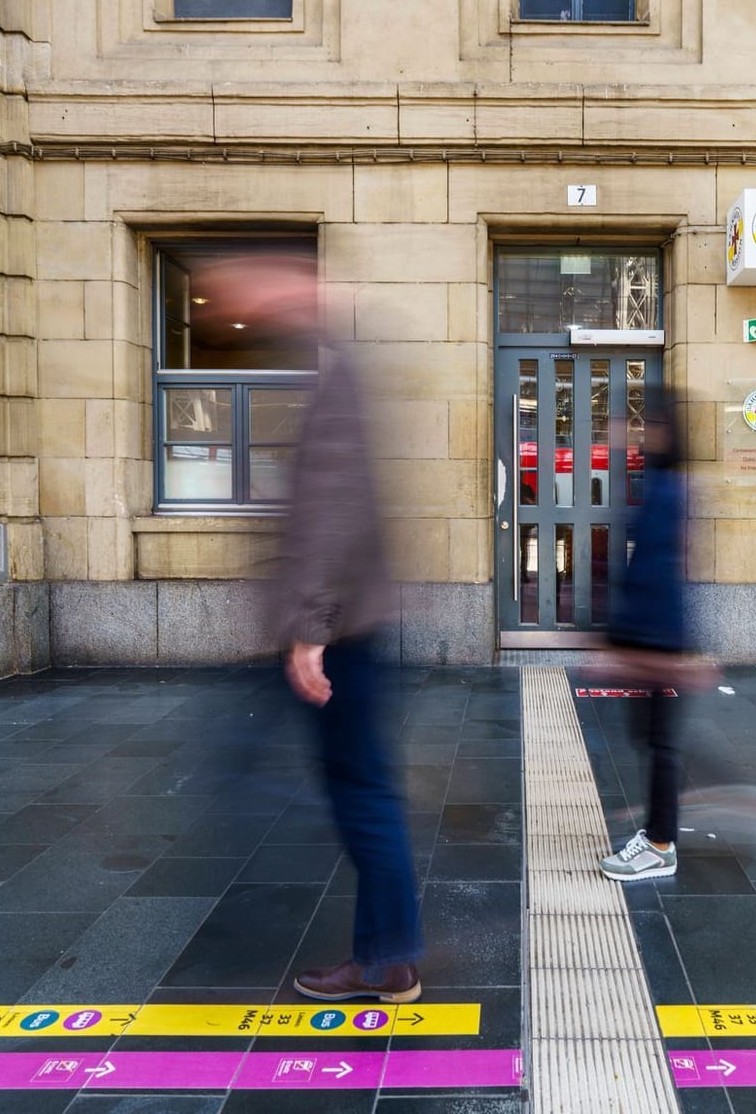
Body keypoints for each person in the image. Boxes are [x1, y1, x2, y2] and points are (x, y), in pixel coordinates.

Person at [247, 256, 424, 1004]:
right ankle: (389, 958)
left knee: (363, 795)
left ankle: (387, 961)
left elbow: (335, 508)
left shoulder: (337, 378)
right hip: (347, 629)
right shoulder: (335, 373)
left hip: (342, 637)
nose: (251, 299)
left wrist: (312, 628)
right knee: (364, 791)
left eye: (266, 285)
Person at [598, 385, 694, 882]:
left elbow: (658, 572)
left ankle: (659, 844)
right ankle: (660, 834)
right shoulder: (661, 483)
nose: (635, 434)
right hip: (656, 636)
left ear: (665, 432)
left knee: (659, 741)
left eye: (644, 425)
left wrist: (634, 646)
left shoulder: (669, 488)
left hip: (659, 638)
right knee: (654, 738)